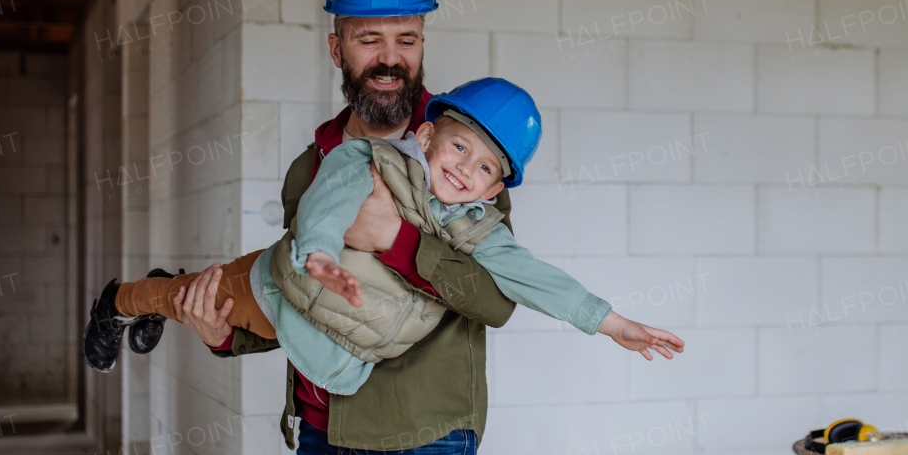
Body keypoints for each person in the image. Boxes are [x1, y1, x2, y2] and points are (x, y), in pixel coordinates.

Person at [84, 77, 684, 393]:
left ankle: (157, 294)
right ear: (425, 139)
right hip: (281, 288)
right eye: (458, 147)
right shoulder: (376, 163)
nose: (463, 170)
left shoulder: (480, 229)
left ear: (495, 189)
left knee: (200, 298)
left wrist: (609, 322)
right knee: (195, 297)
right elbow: (332, 195)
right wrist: (319, 255)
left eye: (484, 169)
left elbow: (529, 281)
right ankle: (121, 301)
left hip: (332, 348)